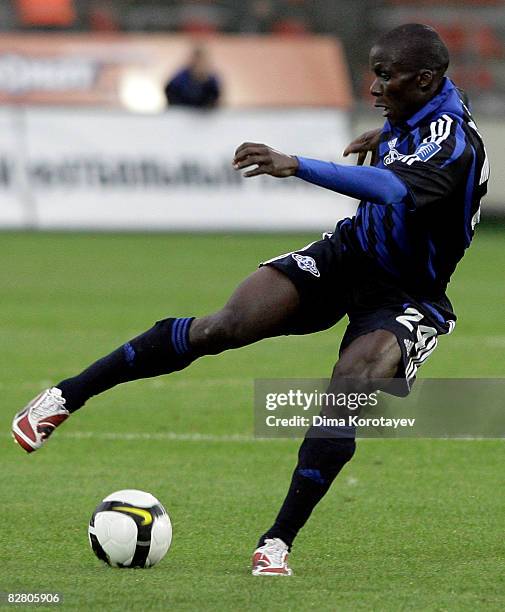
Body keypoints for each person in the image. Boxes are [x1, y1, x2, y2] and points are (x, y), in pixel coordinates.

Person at [12, 24, 488, 576]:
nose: (375, 86)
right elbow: (406, 138)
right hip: (346, 256)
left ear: (425, 80)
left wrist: (298, 164)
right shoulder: (423, 105)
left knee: (348, 392)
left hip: (407, 294)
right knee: (223, 326)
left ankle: (277, 541)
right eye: (374, 73)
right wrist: (380, 137)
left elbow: (392, 189)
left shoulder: (455, 141)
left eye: (386, 76)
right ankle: (64, 397)